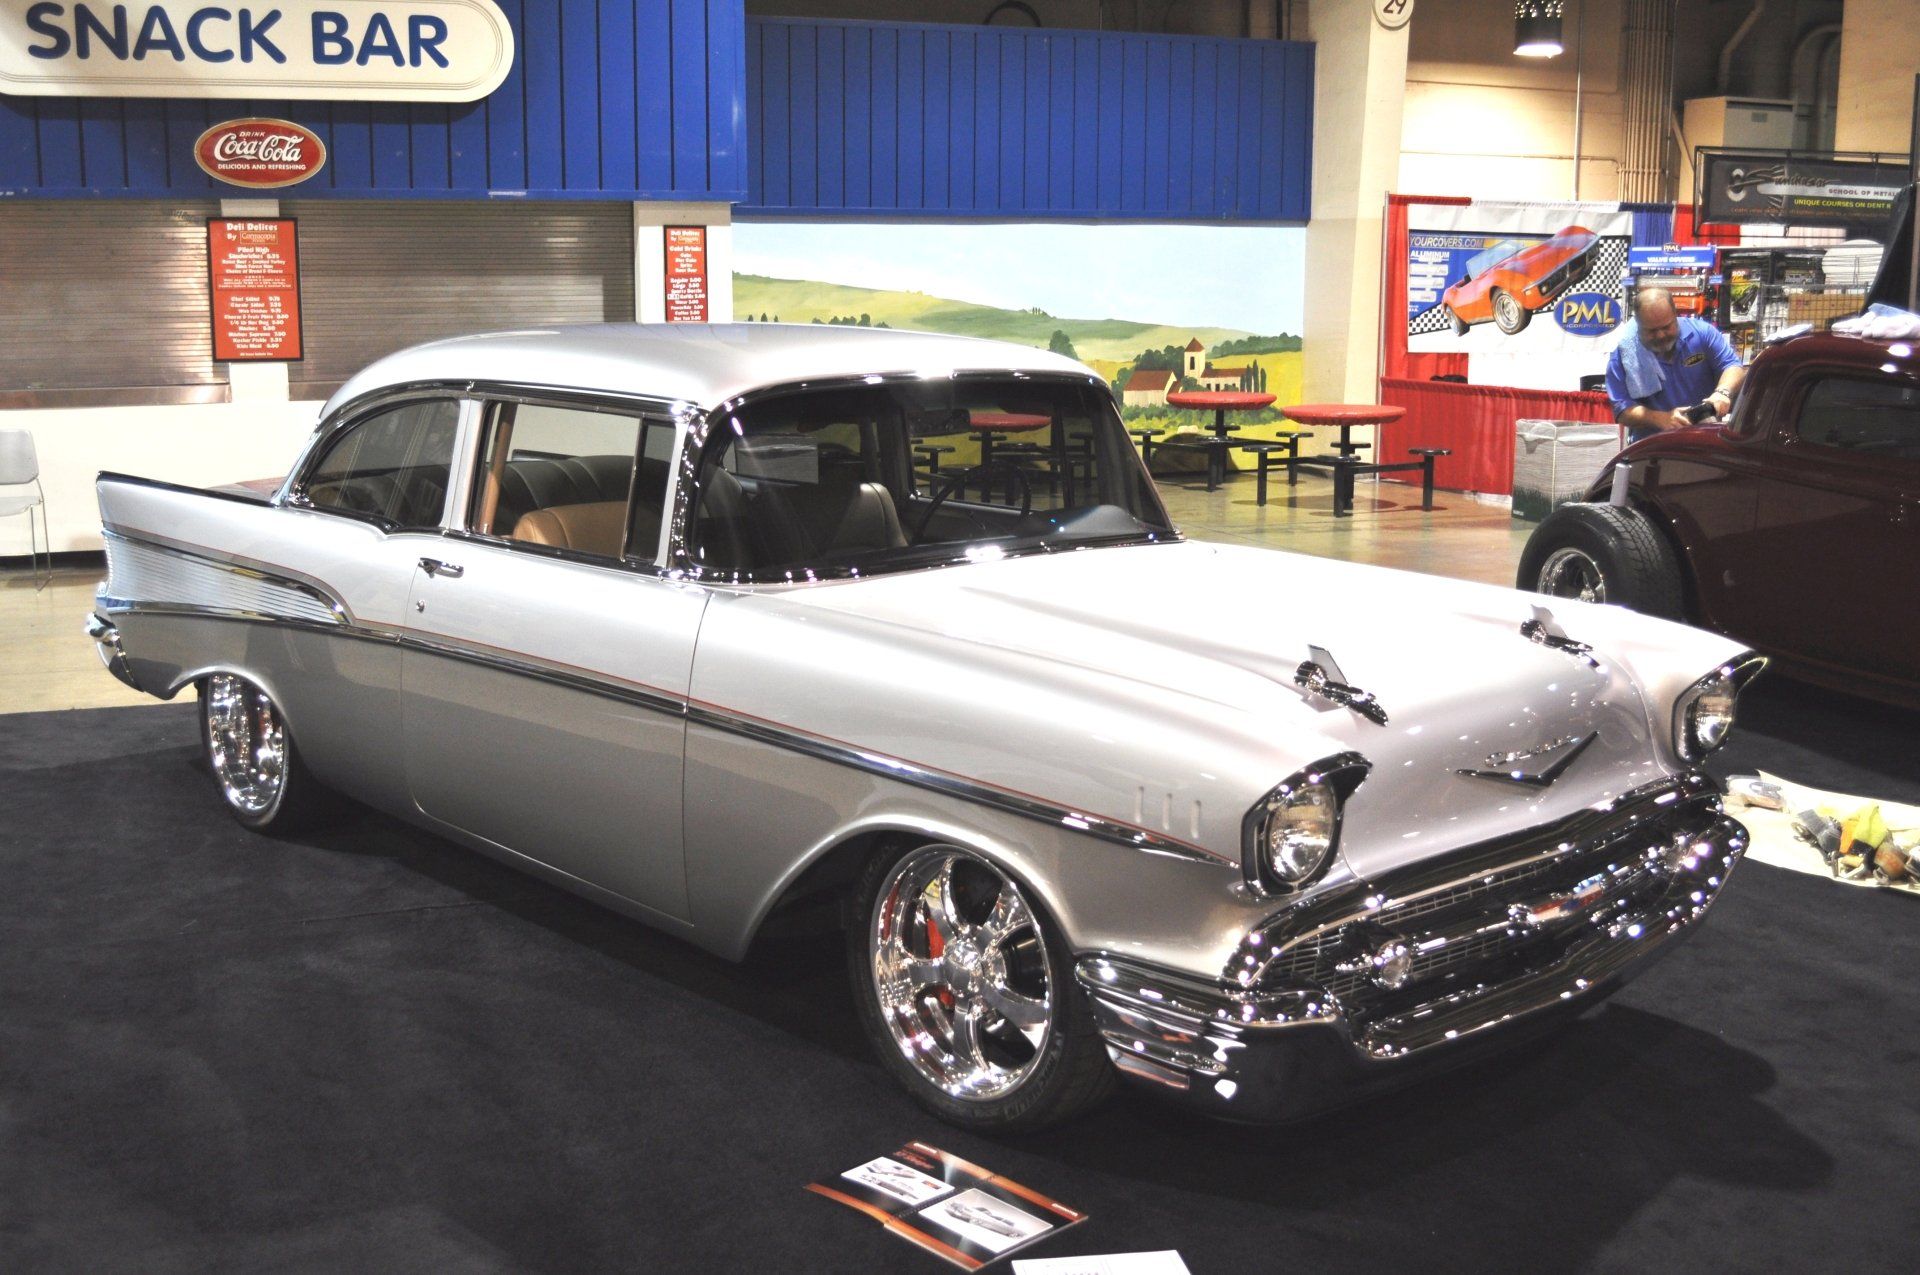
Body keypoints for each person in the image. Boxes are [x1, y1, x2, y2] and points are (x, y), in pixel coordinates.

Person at [1603, 288, 1746, 443]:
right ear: (1638, 324)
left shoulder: (1702, 334)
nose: (1660, 335)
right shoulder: (1623, 357)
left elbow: (1732, 366)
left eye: (1666, 327)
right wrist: (1661, 419)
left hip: (1707, 440)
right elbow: (1622, 410)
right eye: (1651, 331)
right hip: (1653, 449)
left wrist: (1722, 393)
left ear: (1675, 315)